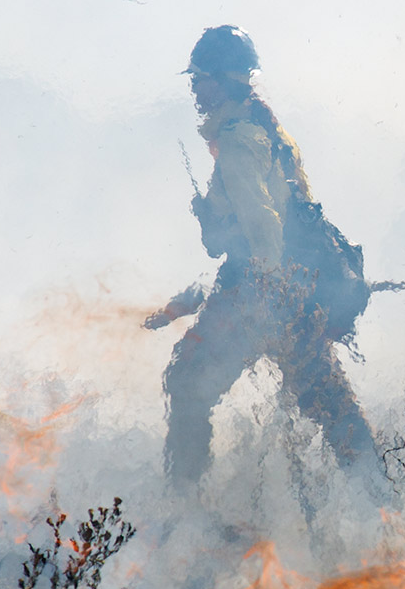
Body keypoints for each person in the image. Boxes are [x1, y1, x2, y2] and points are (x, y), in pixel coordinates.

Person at [146, 25, 376, 487]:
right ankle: (381, 500)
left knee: (187, 385)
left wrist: (268, 293)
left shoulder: (236, 140)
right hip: (294, 291)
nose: (194, 88)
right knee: (335, 411)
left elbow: (262, 226)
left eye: (201, 78)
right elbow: (254, 239)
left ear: (226, 78)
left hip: (263, 296)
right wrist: (195, 295)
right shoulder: (261, 127)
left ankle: (185, 504)